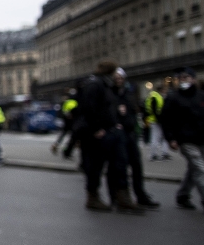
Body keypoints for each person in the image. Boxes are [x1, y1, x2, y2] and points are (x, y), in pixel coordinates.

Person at [76, 59, 143, 213]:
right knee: (96, 167)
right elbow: (89, 109)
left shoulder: (104, 85)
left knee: (119, 164)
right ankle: (94, 197)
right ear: (111, 72)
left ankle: (122, 197)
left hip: (110, 131)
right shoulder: (95, 85)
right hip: (99, 134)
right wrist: (96, 129)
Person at [112, 68, 159, 208]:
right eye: (116, 78)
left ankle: (140, 194)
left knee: (136, 165)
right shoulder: (111, 93)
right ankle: (121, 196)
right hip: (119, 134)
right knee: (121, 166)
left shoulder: (129, 92)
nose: (119, 80)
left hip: (130, 132)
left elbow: (134, 110)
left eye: (121, 78)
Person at [160, 67, 204, 210]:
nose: (183, 80)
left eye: (186, 78)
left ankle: (183, 194)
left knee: (194, 168)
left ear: (193, 79)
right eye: (181, 78)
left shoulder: (201, 96)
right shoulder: (173, 98)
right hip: (185, 139)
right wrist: (171, 138)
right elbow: (166, 120)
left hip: (202, 138)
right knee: (200, 169)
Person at [144, 83, 169, 161]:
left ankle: (160, 153)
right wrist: (159, 119)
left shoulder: (153, 96)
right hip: (157, 120)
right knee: (157, 137)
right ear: (161, 90)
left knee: (157, 137)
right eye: (164, 90)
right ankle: (156, 154)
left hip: (155, 120)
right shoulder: (155, 96)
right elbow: (155, 110)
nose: (165, 91)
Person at [51, 88, 78, 156]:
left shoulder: (66, 102)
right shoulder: (75, 102)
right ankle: (66, 148)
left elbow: (63, 112)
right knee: (73, 137)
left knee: (63, 135)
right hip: (72, 122)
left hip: (67, 122)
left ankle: (56, 145)